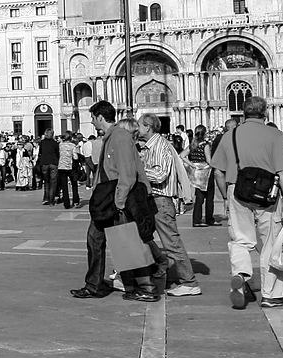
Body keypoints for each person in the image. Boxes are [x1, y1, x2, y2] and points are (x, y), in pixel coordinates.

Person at [209, 96, 283, 309]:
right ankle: (270, 295)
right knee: (270, 242)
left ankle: (240, 272)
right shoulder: (275, 135)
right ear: (265, 113)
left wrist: (225, 197)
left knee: (240, 239)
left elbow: (218, 171)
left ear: (244, 113)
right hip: (268, 194)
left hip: (237, 190)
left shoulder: (230, 135)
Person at [71, 102, 159, 302]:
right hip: (106, 198)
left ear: (100, 117)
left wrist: (119, 202)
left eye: (93, 118)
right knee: (96, 239)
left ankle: (146, 286)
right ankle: (94, 285)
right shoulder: (112, 137)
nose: (92, 122)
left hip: (117, 198)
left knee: (126, 242)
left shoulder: (119, 137)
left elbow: (127, 172)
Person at [136, 113, 201, 297]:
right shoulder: (150, 146)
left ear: (148, 127)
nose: (137, 128)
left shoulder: (160, 146)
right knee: (142, 236)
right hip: (153, 200)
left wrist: (137, 171)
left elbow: (160, 174)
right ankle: (160, 262)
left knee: (172, 243)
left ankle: (189, 282)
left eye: (139, 125)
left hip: (161, 201)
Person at [187, 125, 215, 227]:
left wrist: (192, 164)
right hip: (206, 171)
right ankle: (209, 219)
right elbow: (209, 160)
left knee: (199, 197)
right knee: (209, 196)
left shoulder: (193, 144)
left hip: (196, 172)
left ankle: (196, 219)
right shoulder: (205, 145)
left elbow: (182, 155)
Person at [55, 133, 80, 208]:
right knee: (74, 184)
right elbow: (75, 157)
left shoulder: (60, 145)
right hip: (70, 166)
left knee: (64, 185)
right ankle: (75, 201)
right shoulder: (72, 145)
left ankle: (66, 203)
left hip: (62, 166)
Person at [35, 131, 60, 205]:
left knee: (46, 181)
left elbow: (40, 152)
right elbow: (57, 153)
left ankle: (46, 198)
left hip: (44, 163)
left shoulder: (42, 142)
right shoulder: (55, 143)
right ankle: (51, 200)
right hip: (53, 163)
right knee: (53, 182)